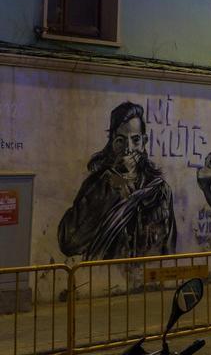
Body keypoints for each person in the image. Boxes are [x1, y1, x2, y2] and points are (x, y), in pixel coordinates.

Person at [58, 102, 177, 259]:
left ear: (144, 142)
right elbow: (69, 243)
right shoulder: (97, 185)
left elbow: (168, 248)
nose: (128, 149)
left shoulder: (159, 191)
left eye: (135, 140)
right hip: (107, 279)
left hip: (147, 279)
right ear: (112, 142)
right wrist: (109, 188)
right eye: (121, 140)